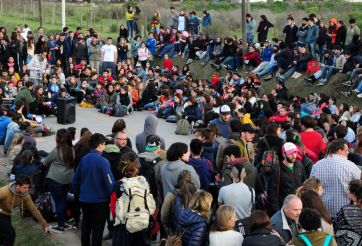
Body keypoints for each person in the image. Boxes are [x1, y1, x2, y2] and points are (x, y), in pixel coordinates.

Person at [72, 133, 114, 246]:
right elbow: (110, 184)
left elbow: (75, 180)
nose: (104, 147)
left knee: (86, 226)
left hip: (84, 200)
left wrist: (79, 194)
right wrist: (112, 199)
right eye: (104, 144)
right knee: (97, 230)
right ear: (100, 145)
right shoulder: (103, 162)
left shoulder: (83, 160)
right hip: (100, 202)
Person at [111, 152, 156, 246]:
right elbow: (150, 204)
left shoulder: (118, 185)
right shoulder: (144, 182)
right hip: (142, 225)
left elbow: (113, 208)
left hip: (124, 228)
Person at [310, 139, 361, 218]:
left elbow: (310, 187)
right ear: (339, 151)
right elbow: (360, 183)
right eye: (346, 150)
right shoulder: (350, 166)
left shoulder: (317, 165)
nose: (348, 152)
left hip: (323, 212)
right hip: (344, 213)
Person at [0, 175, 50, 245]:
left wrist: (45, 225)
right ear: (17, 186)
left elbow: (34, 210)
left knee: (3, 237)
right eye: (24, 187)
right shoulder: (4, 191)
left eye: (28, 187)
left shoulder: (25, 195)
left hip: (7, 214)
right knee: (10, 234)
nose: (27, 190)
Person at [44, 129, 75, 232]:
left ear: (58, 138)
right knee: (63, 201)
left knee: (58, 202)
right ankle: (64, 222)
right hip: (67, 180)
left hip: (55, 179)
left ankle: (60, 225)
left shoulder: (57, 150)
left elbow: (45, 162)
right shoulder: (72, 150)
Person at [268, 142, 307, 214]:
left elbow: (304, 185)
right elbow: (272, 192)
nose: (294, 155)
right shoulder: (277, 169)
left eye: (295, 152)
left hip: (299, 207)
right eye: (290, 153)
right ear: (284, 154)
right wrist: (277, 211)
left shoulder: (299, 165)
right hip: (285, 208)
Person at [161, 170, 198, 235]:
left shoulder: (171, 195)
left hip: (177, 234)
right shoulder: (198, 194)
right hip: (195, 234)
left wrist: (170, 233)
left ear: (178, 180)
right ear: (191, 181)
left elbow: (164, 217)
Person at [334, 179, 362, 246]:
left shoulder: (346, 209)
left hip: (350, 242)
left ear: (354, 193)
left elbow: (336, 224)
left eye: (348, 190)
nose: (346, 191)